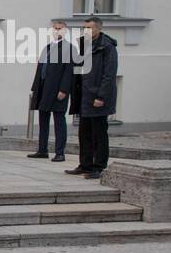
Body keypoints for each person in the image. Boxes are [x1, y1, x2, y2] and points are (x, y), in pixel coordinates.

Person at [73, 16, 118, 180]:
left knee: (99, 135)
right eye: (84, 28)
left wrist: (101, 96)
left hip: (98, 98)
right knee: (84, 133)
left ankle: (99, 167)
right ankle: (84, 165)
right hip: (84, 96)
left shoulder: (107, 47)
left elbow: (109, 74)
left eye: (89, 28)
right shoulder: (85, 45)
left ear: (98, 28)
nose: (86, 31)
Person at [29, 20, 77, 163]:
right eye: (55, 29)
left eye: (60, 29)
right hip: (44, 87)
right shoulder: (48, 47)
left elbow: (69, 71)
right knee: (43, 119)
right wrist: (35, 87)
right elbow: (40, 68)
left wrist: (64, 89)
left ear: (65, 31)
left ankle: (60, 152)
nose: (57, 31)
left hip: (57, 89)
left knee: (59, 121)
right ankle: (42, 149)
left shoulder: (70, 48)